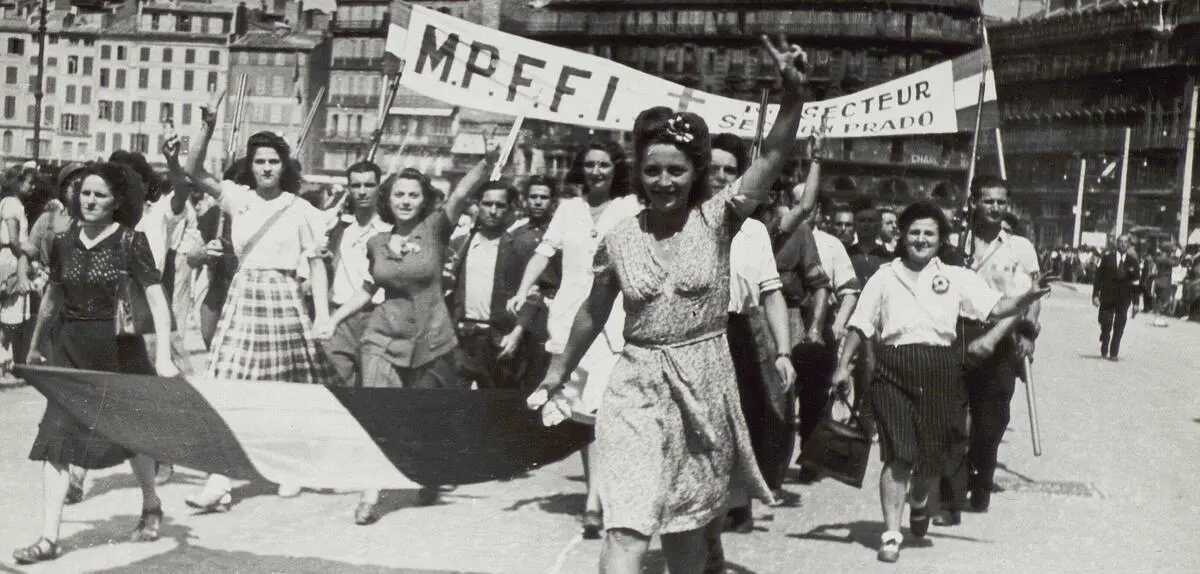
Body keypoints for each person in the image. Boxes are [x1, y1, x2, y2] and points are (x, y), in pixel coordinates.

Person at [528, 34, 809, 573]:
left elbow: (773, 156)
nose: (664, 182)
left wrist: (793, 97)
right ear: (638, 170)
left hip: (705, 383)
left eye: (676, 171)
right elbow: (593, 310)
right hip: (636, 384)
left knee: (685, 531)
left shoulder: (719, 219)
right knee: (627, 525)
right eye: (653, 170)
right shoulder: (619, 237)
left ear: (695, 172)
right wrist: (558, 368)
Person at [832, 201, 1054, 563]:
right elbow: (860, 324)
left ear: (940, 239)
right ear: (903, 235)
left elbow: (995, 307)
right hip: (892, 369)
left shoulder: (956, 277)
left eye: (929, 233)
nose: (921, 239)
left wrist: (1028, 296)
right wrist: (843, 367)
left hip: (940, 370)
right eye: (914, 232)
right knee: (898, 455)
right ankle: (891, 532)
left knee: (929, 457)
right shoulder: (885, 276)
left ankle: (919, 501)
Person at [11, 162, 179, 565]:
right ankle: (49, 537)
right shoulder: (65, 240)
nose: (89, 200)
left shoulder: (130, 241)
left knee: (131, 435)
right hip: (71, 351)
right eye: (85, 193)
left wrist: (165, 356)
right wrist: (34, 347)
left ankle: (151, 503)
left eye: (99, 194)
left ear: (116, 201)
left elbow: (156, 299)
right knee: (55, 437)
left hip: (119, 352)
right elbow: (52, 298)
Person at [315, 156, 494, 525]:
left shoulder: (435, 228)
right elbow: (367, 289)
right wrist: (332, 319)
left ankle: (428, 473)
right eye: (399, 194)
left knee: (425, 414)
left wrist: (486, 163)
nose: (406, 200)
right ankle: (370, 493)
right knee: (379, 413)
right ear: (388, 198)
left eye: (414, 194)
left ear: (423, 200)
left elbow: (461, 193)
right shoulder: (377, 242)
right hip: (381, 337)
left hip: (430, 338)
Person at [183, 96, 337, 510]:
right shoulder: (238, 198)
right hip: (244, 298)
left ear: (284, 166)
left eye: (273, 161)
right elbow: (193, 170)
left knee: (285, 391)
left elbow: (317, 265)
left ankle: (291, 466)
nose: (266, 168)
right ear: (250, 166)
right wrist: (208, 127)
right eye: (259, 161)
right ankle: (220, 480)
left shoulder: (302, 209)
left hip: (284, 300)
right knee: (229, 385)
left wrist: (322, 315)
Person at [507, 139, 642, 539]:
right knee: (585, 412)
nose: (597, 172)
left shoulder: (630, 207)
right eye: (590, 164)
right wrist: (522, 288)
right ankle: (593, 501)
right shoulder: (567, 210)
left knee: (611, 412)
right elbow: (543, 253)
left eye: (604, 165)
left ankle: (607, 497)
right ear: (579, 170)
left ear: (616, 169)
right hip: (571, 321)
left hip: (616, 320)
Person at [946, 176, 1042, 521]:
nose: (996, 208)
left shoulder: (1019, 247)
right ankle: (952, 492)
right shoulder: (956, 242)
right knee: (952, 416)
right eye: (988, 201)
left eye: (1001, 202)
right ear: (973, 202)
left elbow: (1031, 299)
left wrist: (1028, 333)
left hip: (1001, 337)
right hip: (957, 333)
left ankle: (982, 476)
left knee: (990, 422)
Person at [449, 181, 544, 390]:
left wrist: (516, 335)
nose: (493, 211)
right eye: (487, 204)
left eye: (500, 205)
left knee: (496, 408)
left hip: (498, 341)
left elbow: (532, 298)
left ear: (510, 209)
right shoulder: (460, 245)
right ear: (477, 205)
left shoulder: (520, 247)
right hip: (462, 339)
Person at [321, 161, 390, 386]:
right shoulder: (338, 229)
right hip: (339, 318)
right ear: (348, 189)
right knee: (337, 387)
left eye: (369, 185)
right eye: (356, 185)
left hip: (376, 316)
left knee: (374, 388)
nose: (362, 192)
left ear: (379, 187)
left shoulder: (390, 232)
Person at [1092, 234, 1141, 360]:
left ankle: (1114, 352)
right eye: (1120, 242)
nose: (1122, 244)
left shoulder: (1133, 261)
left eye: (1125, 242)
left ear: (1129, 245)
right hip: (1108, 296)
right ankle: (1105, 339)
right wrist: (1095, 295)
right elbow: (1098, 277)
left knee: (1119, 325)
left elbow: (1136, 283)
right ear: (1116, 243)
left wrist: (1136, 303)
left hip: (1124, 298)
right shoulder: (1107, 258)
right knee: (1106, 323)